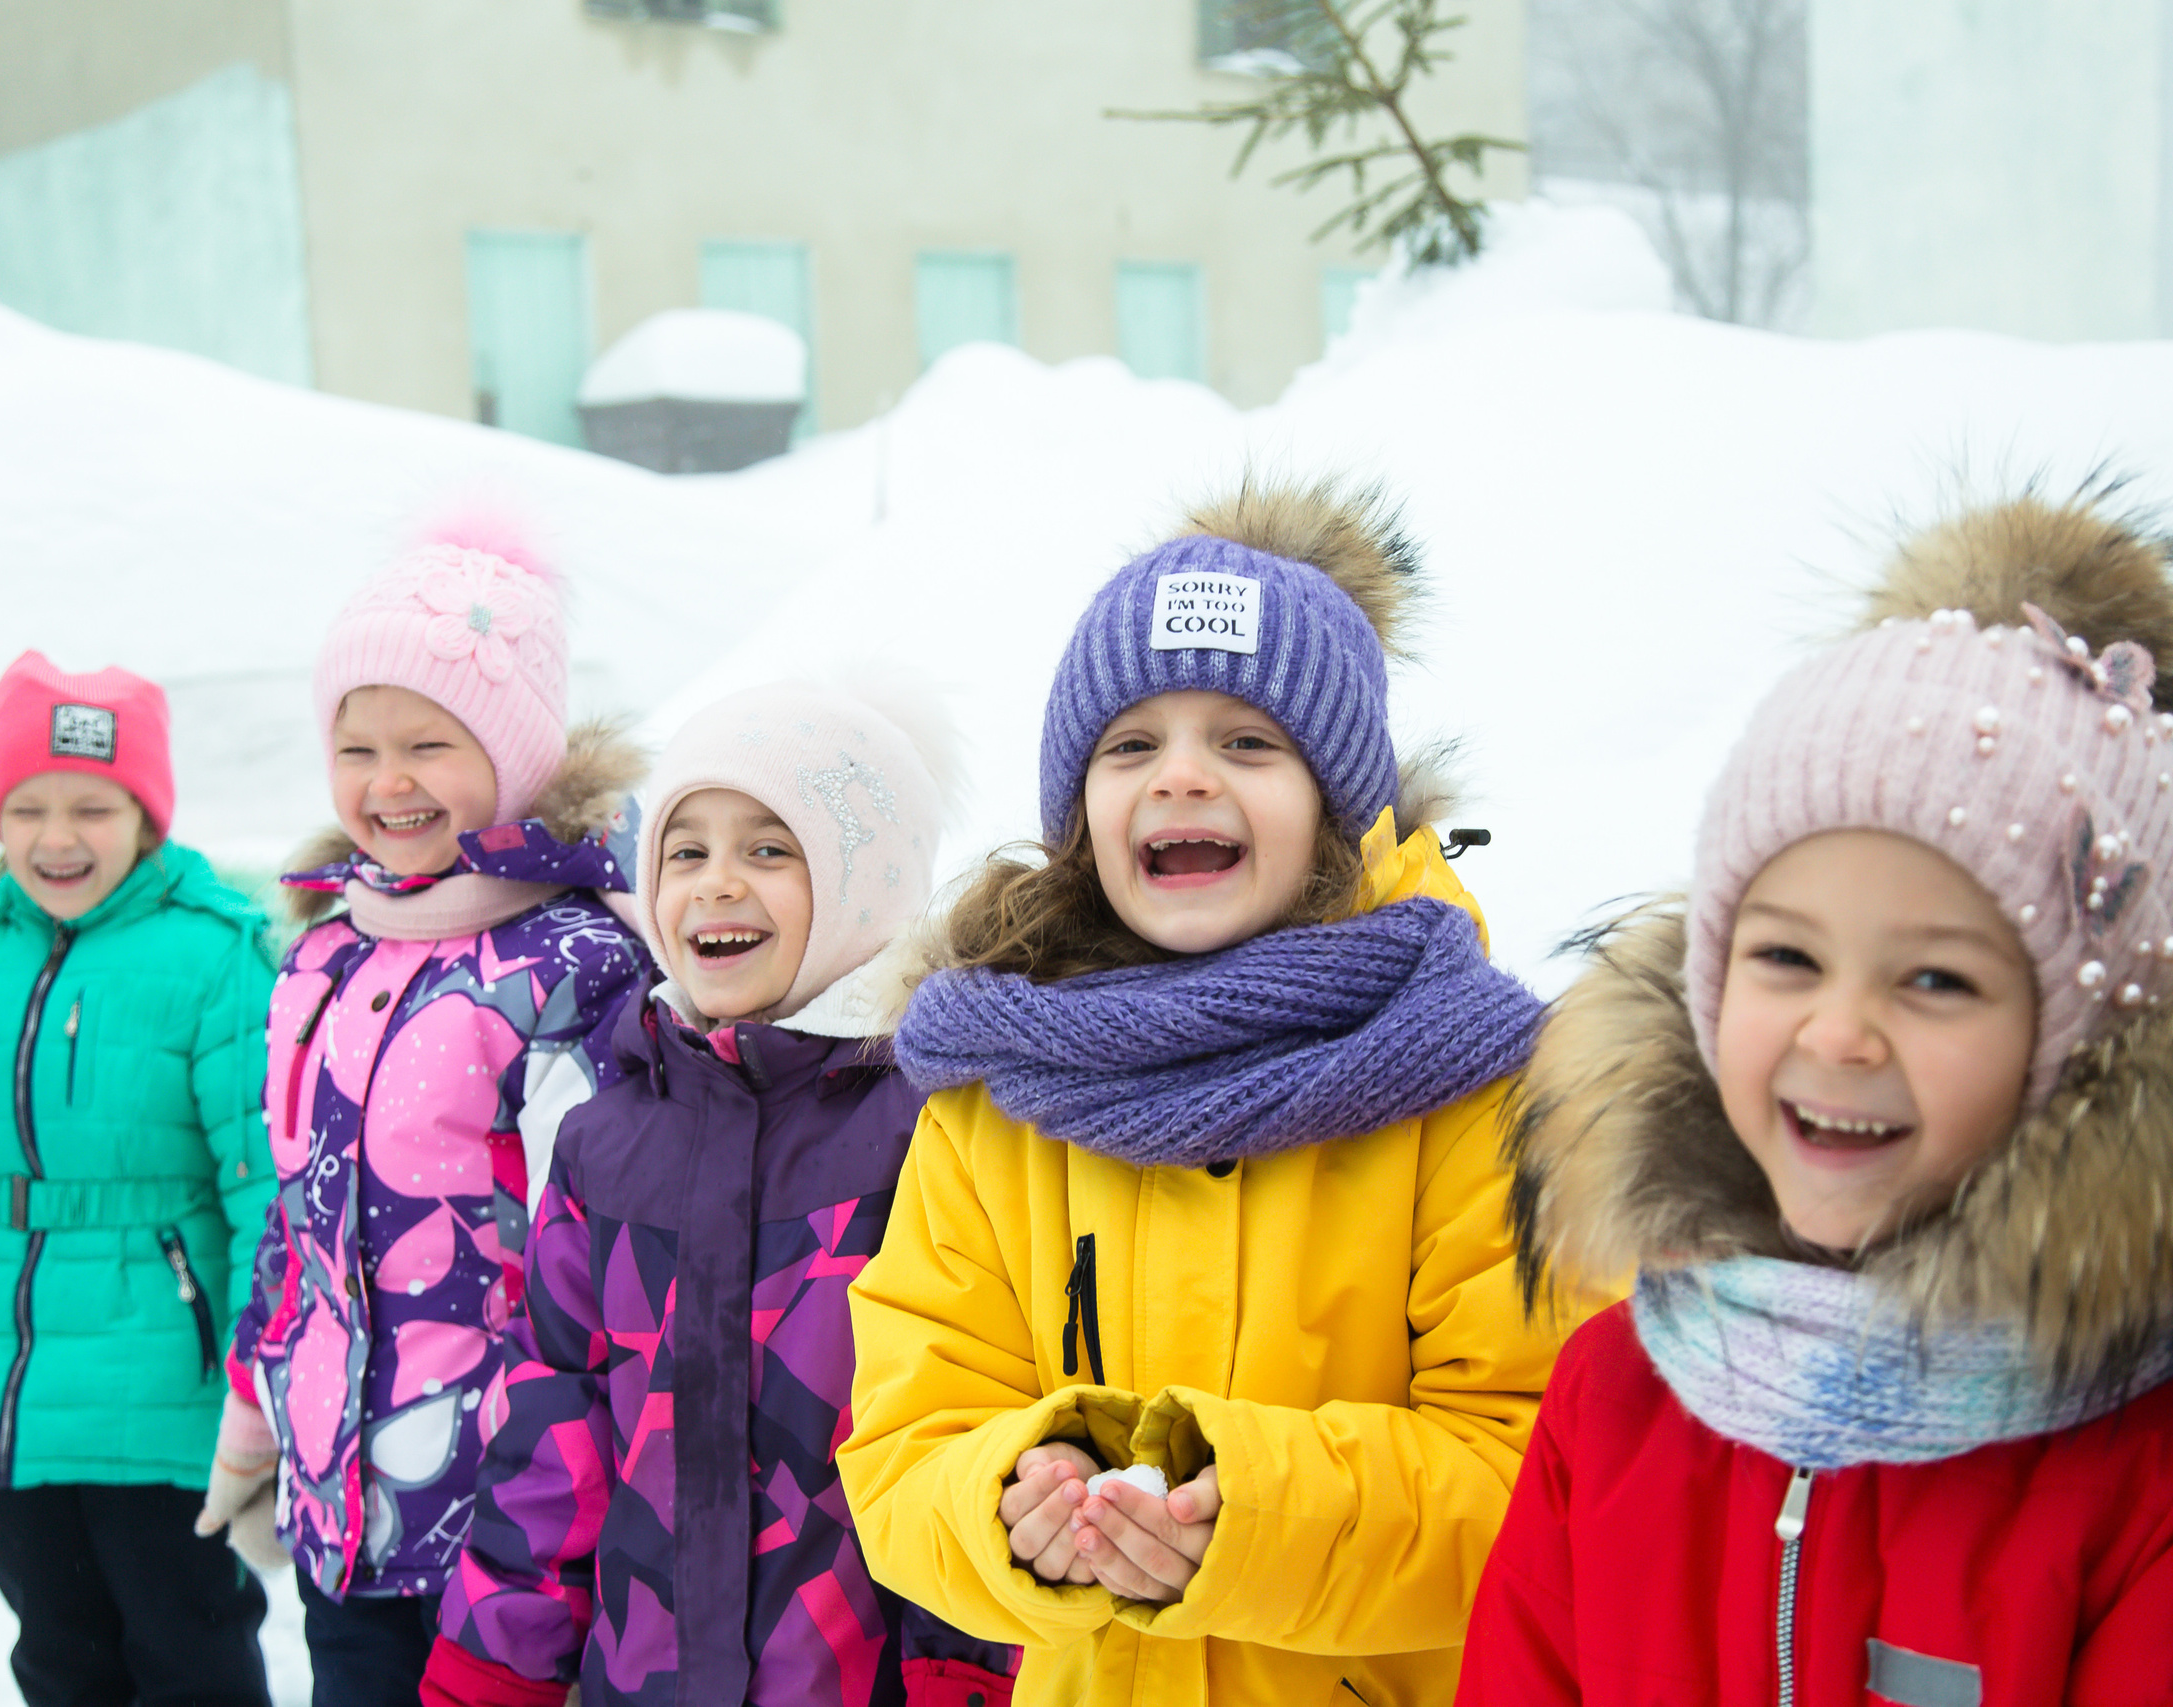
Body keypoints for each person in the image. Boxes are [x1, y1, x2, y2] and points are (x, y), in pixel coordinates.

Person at [1458, 486, 2173, 1704]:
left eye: (1936, 979)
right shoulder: (1616, 1393)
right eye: (1782, 958)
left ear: (2094, 1034)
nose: (1838, 1030)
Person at [837, 484, 1589, 1704]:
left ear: (1344, 807)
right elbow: (902, 1450)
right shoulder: (994, 1101)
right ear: (1082, 815)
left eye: (1247, 743)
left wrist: (1245, 1509)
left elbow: (1537, 1466)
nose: (1181, 777)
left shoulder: (1477, 1082)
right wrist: (1006, 1496)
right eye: (1130, 746)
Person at [420, 678, 1019, 1707]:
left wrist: (964, 1677)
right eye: (685, 850)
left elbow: (973, 1426)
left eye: (769, 849)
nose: (716, 883)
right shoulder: (606, 1143)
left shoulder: (933, 1130)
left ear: (863, 888)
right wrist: (495, 1672)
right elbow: (551, 1434)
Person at [208, 524, 654, 1707]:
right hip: (340, 1507)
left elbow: (601, 1255)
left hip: (508, 1519)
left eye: (427, 744)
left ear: (510, 760)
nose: (386, 781)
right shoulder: (324, 957)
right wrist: (256, 1419)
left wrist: (575, 1492)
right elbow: (293, 1218)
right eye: (356, 747)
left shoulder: (571, 963)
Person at [0, 651, 279, 1707]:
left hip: (169, 1373)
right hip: (1, 1381)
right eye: (27, 808)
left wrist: (267, 1365)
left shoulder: (214, 959)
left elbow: (261, 1185)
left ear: (148, 818)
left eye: (92, 808)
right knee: (59, 1649)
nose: (57, 838)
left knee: (187, 1640)